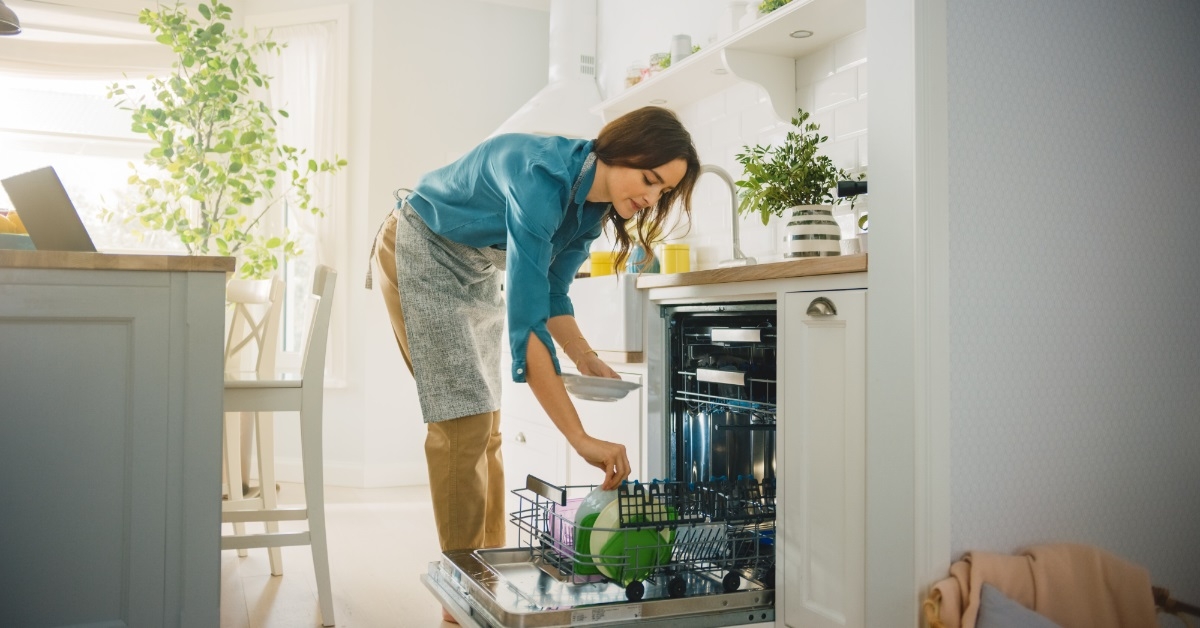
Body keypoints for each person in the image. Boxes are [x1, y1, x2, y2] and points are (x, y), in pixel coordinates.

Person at [369, 105, 699, 620]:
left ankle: (486, 582)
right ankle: (459, 606)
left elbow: (551, 293)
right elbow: (529, 333)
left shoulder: (593, 210)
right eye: (650, 179)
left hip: (473, 266)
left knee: (488, 427)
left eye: (663, 192)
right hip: (421, 246)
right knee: (462, 424)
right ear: (619, 149)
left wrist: (586, 358)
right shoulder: (540, 177)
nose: (651, 197)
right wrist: (581, 438)